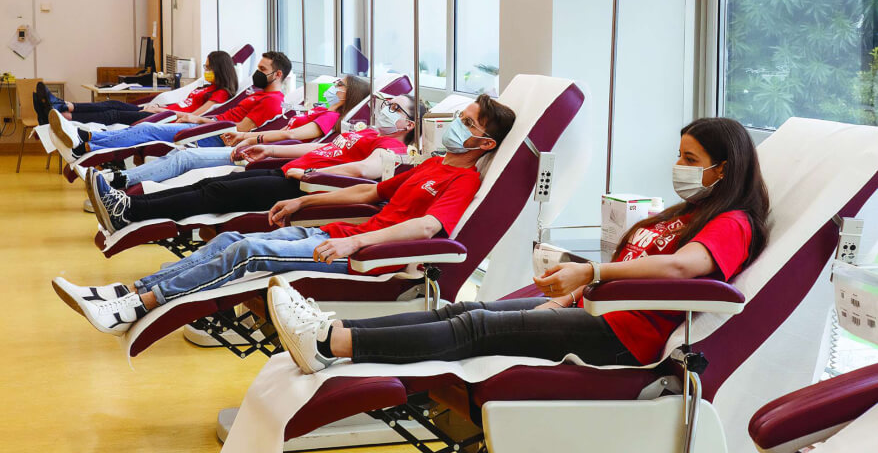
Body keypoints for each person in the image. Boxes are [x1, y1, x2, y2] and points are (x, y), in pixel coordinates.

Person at [260, 117, 771, 374]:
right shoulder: (682, 214)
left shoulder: (734, 222)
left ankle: (329, 346)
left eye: (690, 158)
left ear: (723, 168)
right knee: (465, 310)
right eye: (679, 155)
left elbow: (683, 269)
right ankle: (330, 330)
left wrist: (591, 275)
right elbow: (637, 267)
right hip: (594, 311)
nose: (678, 166)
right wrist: (570, 295)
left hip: (624, 337)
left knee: (478, 328)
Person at [51, 94, 516, 336]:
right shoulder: (433, 164)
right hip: (334, 233)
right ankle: (131, 290)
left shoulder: (463, 181)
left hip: (364, 260)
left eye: (468, 124)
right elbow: (372, 190)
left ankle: (139, 305)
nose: (456, 127)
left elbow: (429, 227)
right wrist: (303, 203)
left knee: (251, 252)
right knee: (230, 240)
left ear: (484, 143)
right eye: (461, 117)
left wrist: (355, 242)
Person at [85, 93, 420, 233]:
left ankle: (129, 212)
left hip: (302, 186)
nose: (385, 110)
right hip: (287, 172)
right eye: (385, 104)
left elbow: (364, 171)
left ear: (409, 124)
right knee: (207, 184)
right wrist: (269, 150)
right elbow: (319, 148)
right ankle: (127, 204)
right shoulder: (363, 132)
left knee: (214, 194)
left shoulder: (391, 146)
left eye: (395, 108)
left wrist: (313, 173)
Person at [103, 75, 371, 190]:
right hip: (255, 144)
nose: (334, 86)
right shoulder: (318, 109)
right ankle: (122, 179)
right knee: (177, 154)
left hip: (264, 154)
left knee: (183, 157)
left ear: (349, 94)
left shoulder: (330, 117)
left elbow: (293, 136)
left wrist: (249, 138)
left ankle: (120, 181)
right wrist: (248, 137)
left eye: (340, 84)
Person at [48, 51, 290, 158]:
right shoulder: (255, 94)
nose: (258, 73)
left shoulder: (271, 101)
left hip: (211, 133)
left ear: (277, 75)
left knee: (147, 130)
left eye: (262, 69)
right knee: (137, 124)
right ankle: (87, 139)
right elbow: (225, 117)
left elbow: (239, 129)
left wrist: (197, 120)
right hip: (205, 124)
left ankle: (86, 144)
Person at [33, 51, 238, 126]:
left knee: (114, 114)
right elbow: (186, 104)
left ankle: (63, 117)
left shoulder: (221, 93)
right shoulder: (206, 86)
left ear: (220, 69)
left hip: (167, 119)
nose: (206, 71)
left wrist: (161, 111)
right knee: (113, 103)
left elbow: (194, 115)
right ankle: (61, 106)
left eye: (209, 68)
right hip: (163, 112)